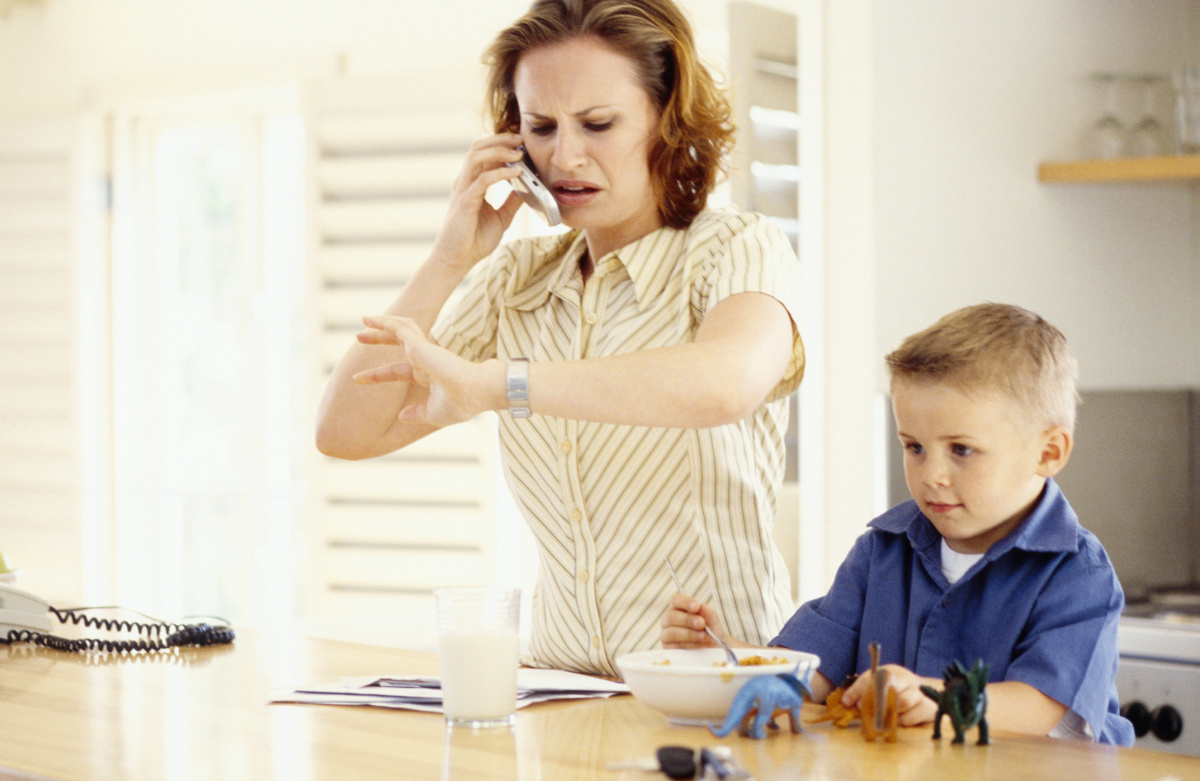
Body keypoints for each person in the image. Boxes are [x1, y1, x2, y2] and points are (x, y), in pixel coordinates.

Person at [315, 0, 805, 678]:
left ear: (666, 118)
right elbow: (345, 432)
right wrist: (449, 259)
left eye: (598, 124)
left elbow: (725, 385)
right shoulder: (517, 277)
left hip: (716, 689)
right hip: (561, 685)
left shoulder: (735, 248)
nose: (564, 156)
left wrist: (501, 385)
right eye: (540, 127)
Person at [662, 303, 1134, 745]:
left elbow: (1045, 708)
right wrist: (729, 656)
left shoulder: (1078, 574)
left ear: (1048, 452)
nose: (932, 475)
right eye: (915, 447)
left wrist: (933, 699)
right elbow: (813, 670)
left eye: (962, 450)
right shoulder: (881, 551)